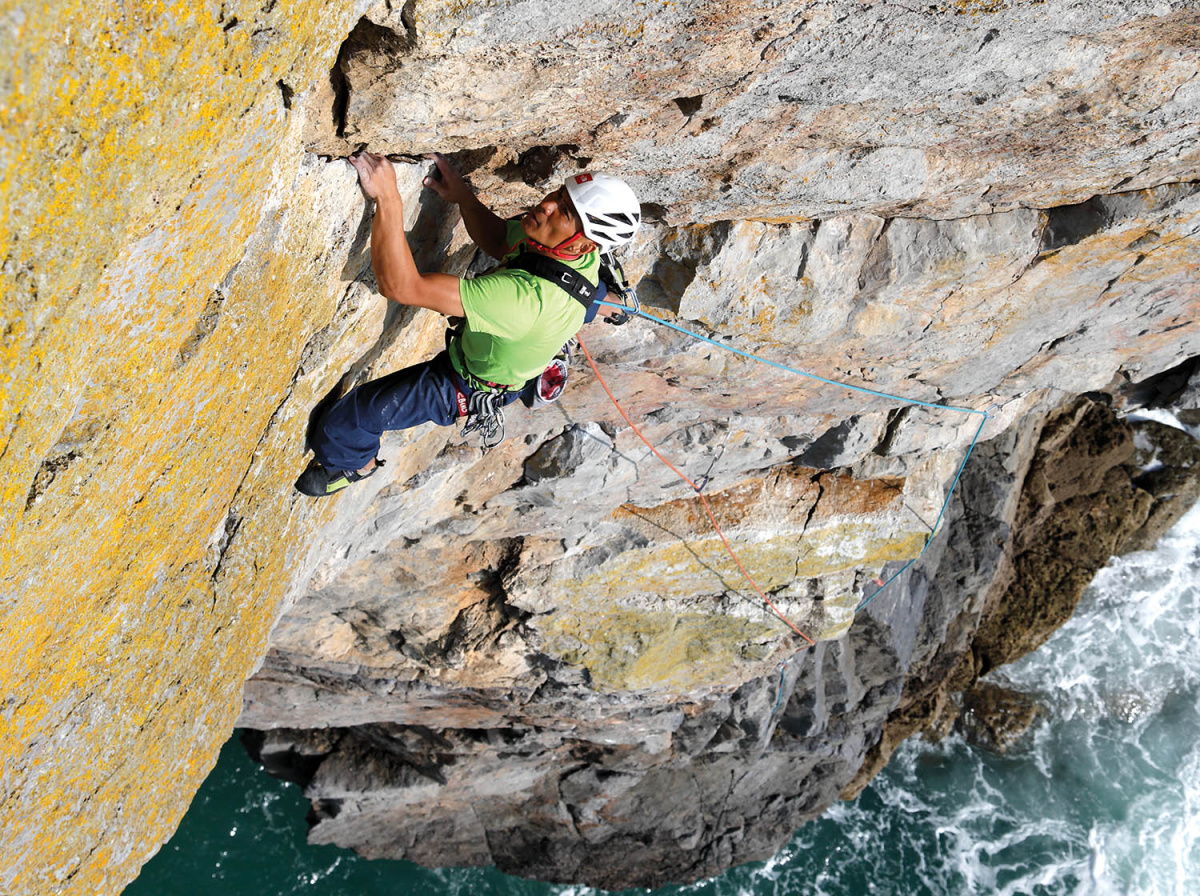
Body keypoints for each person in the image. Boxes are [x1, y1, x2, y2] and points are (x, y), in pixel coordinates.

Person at [295, 151, 641, 497]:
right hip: (531, 324)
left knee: (349, 421)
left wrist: (388, 197)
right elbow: (499, 241)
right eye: (559, 194)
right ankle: (603, 305)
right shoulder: (567, 247)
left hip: (464, 382)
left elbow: (401, 286)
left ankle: (356, 466)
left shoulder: (522, 300)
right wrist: (463, 197)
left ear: (584, 242)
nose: (546, 205)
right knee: (580, 300)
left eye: (564, 212)